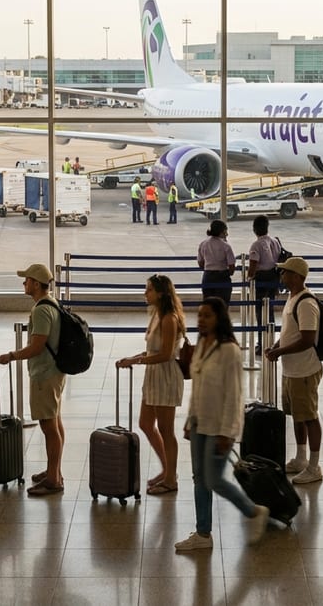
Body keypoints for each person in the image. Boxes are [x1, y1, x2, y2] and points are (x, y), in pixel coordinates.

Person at [174, 297, 271, 552]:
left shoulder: (229, 350)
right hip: (199, 422)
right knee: (199, 478)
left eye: (207, 315)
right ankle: (203, 533)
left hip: (220, 426)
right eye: (200, 315)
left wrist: (228, 433)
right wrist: (189, 419)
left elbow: (234, 394)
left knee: (214, 480)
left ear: (219, 318)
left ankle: (253, 511)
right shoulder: (202, 345)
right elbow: (197, 387)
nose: (202, 319)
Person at [0, 264, 66, 497]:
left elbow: (36, 346)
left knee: (49, 426)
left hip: (44, 375)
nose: (24, 284)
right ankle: (54, 470)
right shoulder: (52, 303)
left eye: (26, 280)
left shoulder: (40, 310)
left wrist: (12, 356)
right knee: (54, 422)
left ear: (36, 283)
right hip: (54, 371)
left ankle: (54, 479)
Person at [117, 275, 185, 495]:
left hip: (165, 376)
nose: (145, 293)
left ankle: (171, 478)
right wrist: (133, 358)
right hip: (153, 375)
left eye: (148, 290)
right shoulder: (157, 314)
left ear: (161, 293)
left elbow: (165, 354)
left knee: (166, 429)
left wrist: (136, 361)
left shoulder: (169, 319)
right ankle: (167, 470)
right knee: (146, 423)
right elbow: (152, 351)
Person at [265, 256, 323, 485]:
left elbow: (308, 339)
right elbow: (291, 332)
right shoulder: (292, 298)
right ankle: (300, 458)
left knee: (309, 416)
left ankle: (314, 465)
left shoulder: (307, 303)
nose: (282, 276)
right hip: (291, 369)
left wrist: (280, 352)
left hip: (304, 369)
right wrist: (277, 346)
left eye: (286, 272)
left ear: (298, 277)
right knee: (297, 416)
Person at [247, 215, 282, 355]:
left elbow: (253, 265)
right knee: (270, 311)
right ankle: (271, 342)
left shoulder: (256, 245)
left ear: (254, 229)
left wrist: (249, 278)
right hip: (273, 278)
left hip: (261, 280)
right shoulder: (275, 241)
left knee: (260, 313)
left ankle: (262, 344)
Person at [197, 219, 236, 305]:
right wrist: (227, 273)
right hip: (222, 277)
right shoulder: (226, 246)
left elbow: (200, 263)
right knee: (222, 306)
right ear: (222, 231)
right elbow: (232, 266)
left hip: (207, 277)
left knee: (209, 305)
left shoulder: (203, 244)